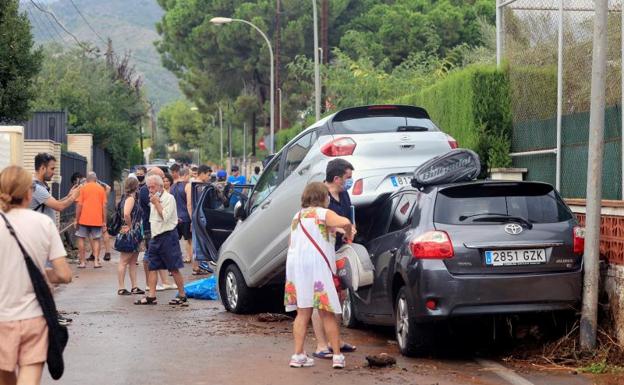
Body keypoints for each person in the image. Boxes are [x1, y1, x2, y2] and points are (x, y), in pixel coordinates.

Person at [0, 165, 72, 385]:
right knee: (29, 378)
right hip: (33, 317)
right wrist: (43, 274)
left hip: (1, 317)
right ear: (29, 193)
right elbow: (64, 274)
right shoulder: (43, 223)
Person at [285, 182, 354, 369]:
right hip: (319, 266)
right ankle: (337, 357)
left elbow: (294, 241)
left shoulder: (297, 216)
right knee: (327, 312)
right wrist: (348, 233)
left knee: (302, 312)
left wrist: (334, 230)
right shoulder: (323, 213)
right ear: (323, 197)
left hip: (297, 268)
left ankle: (298, 354)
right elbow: (345, 222)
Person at [312, 159, 357, 359]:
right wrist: (339, 228)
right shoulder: (320, 196)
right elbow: (315, 221)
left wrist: (351, 229)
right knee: (320, 300)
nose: (350, 181)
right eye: (348, 177)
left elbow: (349, 219)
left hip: (341, 249)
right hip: (323, 252)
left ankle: (335, 340)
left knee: (340, 295)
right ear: (337, 178)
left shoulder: (345, 195)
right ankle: (321, 344)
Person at [134, 175, 188, 306]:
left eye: (152, 187)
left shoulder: (169, 198)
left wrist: (157, 203)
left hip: (168, 237)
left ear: (160, 186)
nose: (150, 190)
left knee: (173, 268)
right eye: (148, 187)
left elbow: (164, 216)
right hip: (155, 237)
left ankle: (182, 295)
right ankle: (151, 296)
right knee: (152, 266)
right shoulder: (152, 199)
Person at [139, 167, 175, 292]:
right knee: (149, 254)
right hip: (150, 227)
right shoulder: (145, 191)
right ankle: (149, 284)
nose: (163, 180)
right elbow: (155, 206)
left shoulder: (159, 192)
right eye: (161, 178)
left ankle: (165, 282)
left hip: (158, 226)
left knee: (159, 254)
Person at [30, 153, 80, 224]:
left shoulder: (41, 186)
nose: (54, 172)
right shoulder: (37, 188)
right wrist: (74, 197)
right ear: (43, 168)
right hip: (41, 233)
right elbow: (59, 207)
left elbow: (55, 203)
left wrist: (68, 196)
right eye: (52, 169)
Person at [116, 177, 145, 296]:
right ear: (136, 186)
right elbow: (126, 214)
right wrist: (131, 226)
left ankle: (134, 286)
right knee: (124, 261)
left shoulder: (125, 198)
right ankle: (121, 287)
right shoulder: (131, 199)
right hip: (131, 232)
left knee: (133, 261)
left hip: (132, 232)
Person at [75, 172, 107, 269]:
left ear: (87, 179)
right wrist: (104, 221)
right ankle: (96, 262)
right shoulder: (101, 189)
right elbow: (104, 206)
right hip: (97, 219)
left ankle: (82, 262)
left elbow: (79, 205)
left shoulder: (83, 188)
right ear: (96, 179)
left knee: (81, 238)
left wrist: (76, 219)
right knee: (96, 239)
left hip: (83, 219)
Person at [171, 168, 194, 266]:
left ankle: (177, 259)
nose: (190, 177)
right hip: (186, 217)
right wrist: (192, 219)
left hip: (176, 218)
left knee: (176, 241)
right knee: (189, 240)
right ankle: (191, 260)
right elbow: (189, 204)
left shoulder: (173, 186)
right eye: (190, 175)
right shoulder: (187, 185)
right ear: (185, 175)